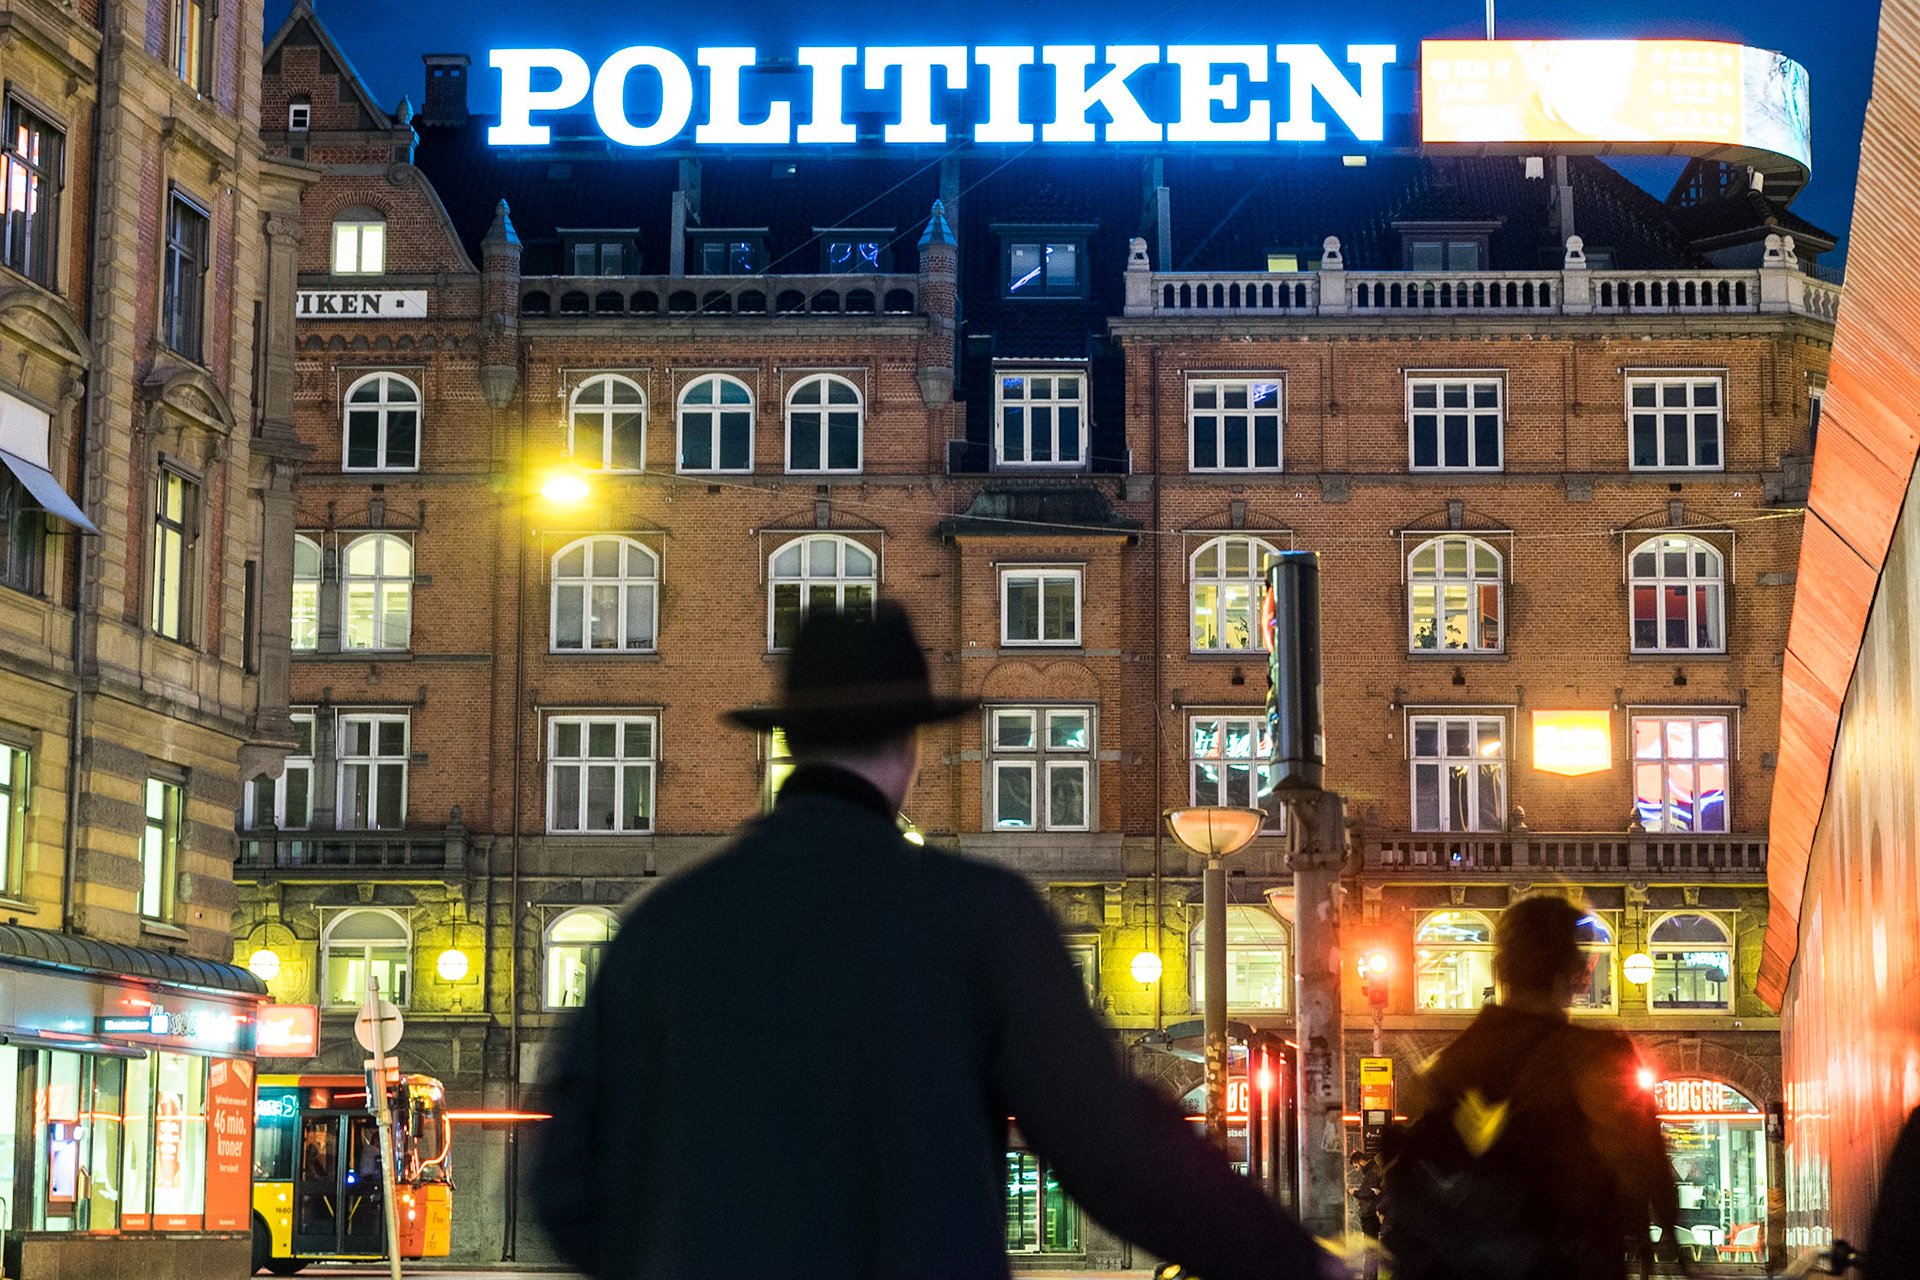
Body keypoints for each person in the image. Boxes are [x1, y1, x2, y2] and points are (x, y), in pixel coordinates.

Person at [531, 603, 1338, 1280]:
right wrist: (1295, 1262)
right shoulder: (978, 915)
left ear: (789, 744)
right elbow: (1113, 1150)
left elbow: (566, 1179)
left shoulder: (663, 925)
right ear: (911, 749)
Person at [1381, 895, 1680, 1280]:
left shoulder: (1440, 1070)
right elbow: (1644, 1174)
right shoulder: (1596, 1058)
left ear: (1501, 968)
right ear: (1573, 971)